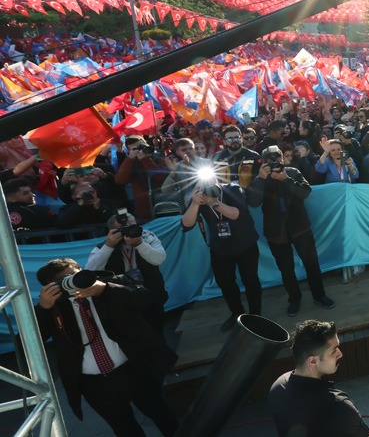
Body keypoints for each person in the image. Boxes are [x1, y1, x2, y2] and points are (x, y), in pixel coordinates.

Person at [34, 258, 178, 436]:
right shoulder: (53, 307)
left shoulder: (109, 284)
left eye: (73, 274)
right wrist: (43, 308)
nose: (70, 281)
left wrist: (105, 289)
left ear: (82, 269)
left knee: (162, 414)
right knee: (124, 428)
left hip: (132, 368)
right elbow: (28, 343)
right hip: (94, 383)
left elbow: (147, 299)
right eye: (61, 281)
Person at [246, 146, 334, 317]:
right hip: (276, 232)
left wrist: (285, 179)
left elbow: (305, 193)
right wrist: (261, 179)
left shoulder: (292, 172)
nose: (275, 161)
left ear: (282, 158)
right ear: (265, 161)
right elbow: (253, 203)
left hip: (299, 227)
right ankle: (294, 299)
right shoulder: (261, 177)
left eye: (277, 157)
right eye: (271, 159)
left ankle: (319, 295)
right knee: (286, 269)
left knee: (312, 264)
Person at [181, 169, 262, 332]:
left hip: (245, 244)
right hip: (220, 247)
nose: (208, 186)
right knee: (225, 283)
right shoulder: (198, 197)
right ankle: (237, 313)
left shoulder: (232, 189)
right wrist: (196, 203)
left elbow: (234, 214)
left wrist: (214, 203)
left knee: (250, 280)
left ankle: (255, 316)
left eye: (211, 181)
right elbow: (186, 224)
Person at [268, 320, 369, 437]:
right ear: (313, 361)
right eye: (334, 351)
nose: (340, 354)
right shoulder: (338, 406)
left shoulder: (277, 387)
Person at [86, 212, 169, 334]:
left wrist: (140, 244)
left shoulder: (147, 237)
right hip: (123, 301)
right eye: (123, 229)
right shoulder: (104, 246)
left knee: (157, 332)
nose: (130, 231)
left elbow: (158, 259)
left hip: (151, 295)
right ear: (111, 231)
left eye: (133, 226)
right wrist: (109, 246)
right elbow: (91, 270)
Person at [114, 136, 164, 219]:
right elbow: (120, 180)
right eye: (136, 148)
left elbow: (161, 178)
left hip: (163, 204)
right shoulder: (131, 163)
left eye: (142, 146)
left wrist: (146, 160)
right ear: (130, 151)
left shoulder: (159, 157)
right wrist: (130, 158)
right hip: (144, 209)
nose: (141, 150)